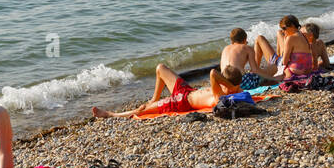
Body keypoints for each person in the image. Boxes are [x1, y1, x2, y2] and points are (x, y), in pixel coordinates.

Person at [92, 62, 241, 118]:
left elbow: (213, 74)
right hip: (187, 90)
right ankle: (154, 98)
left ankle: (111, 114)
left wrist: (231, 87)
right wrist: (231, 85)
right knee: (160, 68)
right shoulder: (222, 89)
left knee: (142, 110)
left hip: (181, 102)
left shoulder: (220, 96)